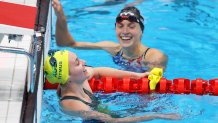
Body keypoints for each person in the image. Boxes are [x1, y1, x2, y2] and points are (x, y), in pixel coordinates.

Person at [44, 50, 181, 122]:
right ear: (67, 77)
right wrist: (157, 116)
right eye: (77, 63)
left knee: (146, 99)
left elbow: (98, 71)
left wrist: (136, 76)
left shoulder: (79, 78)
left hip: (98, 110)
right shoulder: (72, 103)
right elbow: (112, 121)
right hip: (95, 121)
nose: (84, 62)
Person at [52, 0, 168, 73]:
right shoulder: (114, 49)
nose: (125, 31)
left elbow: (153, 93)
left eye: (131, 26)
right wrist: (61, 18)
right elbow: (66, 43)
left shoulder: (154, 58)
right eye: (120, 26)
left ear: (141, 31)